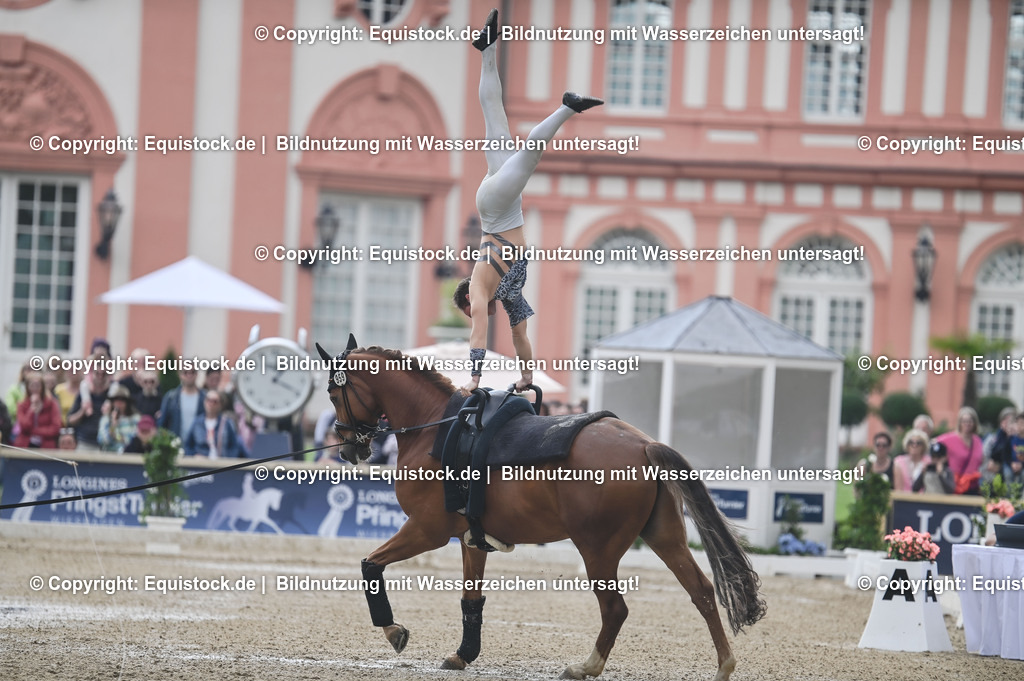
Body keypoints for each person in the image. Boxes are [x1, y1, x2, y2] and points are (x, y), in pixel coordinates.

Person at [454, 8, 602, 392]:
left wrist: (474, 378)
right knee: (495, 115)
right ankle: (487, 49)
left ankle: (567, 107)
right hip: (503, 200)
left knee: (530, 154)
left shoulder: (478, 287)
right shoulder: (510, 293)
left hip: (496, 208)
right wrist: (527, 376)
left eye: (471, 311)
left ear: (466, 302)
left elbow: (479, 335)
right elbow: (520, 338)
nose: (477, 314)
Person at [935, 406, 985, 495]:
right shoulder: (950, 438)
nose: (967, 424)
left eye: (970, 421)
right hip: (956, 485)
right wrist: (940, 462)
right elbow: (933, 445)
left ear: (975, 423)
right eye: (964, 421)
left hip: (973, 486)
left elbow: (980, 461)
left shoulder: (977, 441)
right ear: (959, 423)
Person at [184, 390, 245, 458]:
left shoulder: (226, 423)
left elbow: (234, 446)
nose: (211, 404)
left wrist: (228, 459)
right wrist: (194, 455)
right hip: (201, 464)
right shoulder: (197, 422)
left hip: (221, 463)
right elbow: (188, 446)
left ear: (220, 405)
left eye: (215, 401)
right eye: (208, 400)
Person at [14, 372, 63, 449]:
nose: (35, 388)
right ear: (27, 387)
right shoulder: (22, 405)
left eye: (37, 385)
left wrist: (35, 431)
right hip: (25, 446)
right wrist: (31, 410)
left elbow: (55, 428)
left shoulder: (52, 404)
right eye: (32, 385)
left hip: (46, 447)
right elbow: (24, 427)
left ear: (42, 387)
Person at [67, 369, 112, 450]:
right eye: (97, 373)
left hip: (106, 444)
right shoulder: (83, 394)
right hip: (85, 441)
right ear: (91, 375)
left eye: (103, 374)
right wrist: (82, 411)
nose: (100, 377)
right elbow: (70, 421)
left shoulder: (112, 395)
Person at [158, 368, 205, 439]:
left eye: (192, 372)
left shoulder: (204, 398)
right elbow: (162, 423)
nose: (189, 375)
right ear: (180, 375)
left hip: (197, 444)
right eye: (186, 372)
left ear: (196, 374)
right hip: (175, 443)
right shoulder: (171, 397)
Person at [97, 383, 141, 453]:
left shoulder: (136, 419)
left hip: (129, 456)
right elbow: (103, 441)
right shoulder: (105, 420)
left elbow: (133, 441)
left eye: (122, 400)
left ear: (127, 402)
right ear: (112, 402)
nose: (119, 403)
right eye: (116, 399)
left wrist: (117, 437)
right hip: (109, 457)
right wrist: (113, 426)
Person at [982, 406, 1017, 486]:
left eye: (1011, 421)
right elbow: (987, 461)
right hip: (994, 479)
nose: (1007, 423)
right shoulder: (993, 439)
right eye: (1005, 420)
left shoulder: (1019, 440)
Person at [1007, 414, 1024, 485]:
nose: (1021, 426)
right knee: (1007, 474)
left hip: (1022, 466)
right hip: (1011, 464)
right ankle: (1008, 495)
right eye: (1019, 423)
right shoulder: (1011, 439)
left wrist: (1022, 465)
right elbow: (1006, 454)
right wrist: (1011, 463)